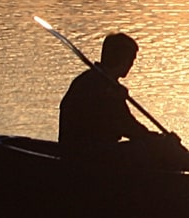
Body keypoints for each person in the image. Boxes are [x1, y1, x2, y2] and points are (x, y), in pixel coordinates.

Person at [60, 32, 182, 168]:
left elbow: (127, 123)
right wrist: (159, 140)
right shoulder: (102, 88)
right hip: (90, 156)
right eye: (132, 60)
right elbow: (127, 127)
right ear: (123, 59)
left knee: (156, 146)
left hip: (88, 151)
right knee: (152, 148)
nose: (131, 65)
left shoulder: (101, 83)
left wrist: (156, 137)